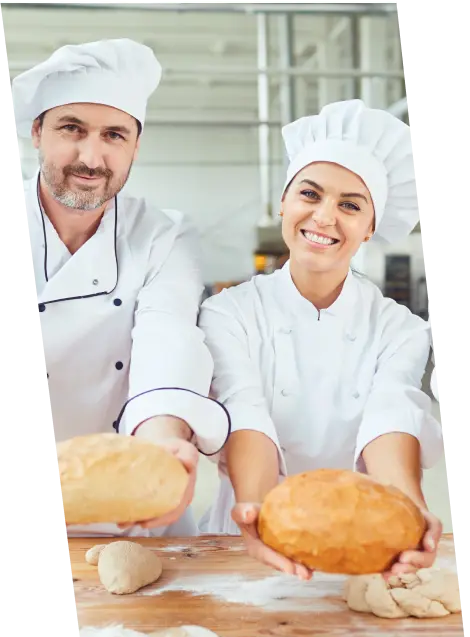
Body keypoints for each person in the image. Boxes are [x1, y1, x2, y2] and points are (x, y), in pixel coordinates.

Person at [198, 99, 445, 579]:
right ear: (284, 203)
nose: (325, 216)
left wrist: (410, 509)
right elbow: (244, 408)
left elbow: (391, 416)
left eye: (350, 205)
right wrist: (257, 509)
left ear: (371, 226)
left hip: (363, 546)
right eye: (310, 194)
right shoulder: (228, 312)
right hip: (243, 541)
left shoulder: (400, 328)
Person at [13, 38, 230, 538]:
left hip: (134, 509)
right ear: (37, 133)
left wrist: (163, 444)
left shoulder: (162, 235)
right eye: (73, 129)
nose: (92, 157)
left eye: (114, 134)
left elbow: (169, 338)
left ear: (136, 144)